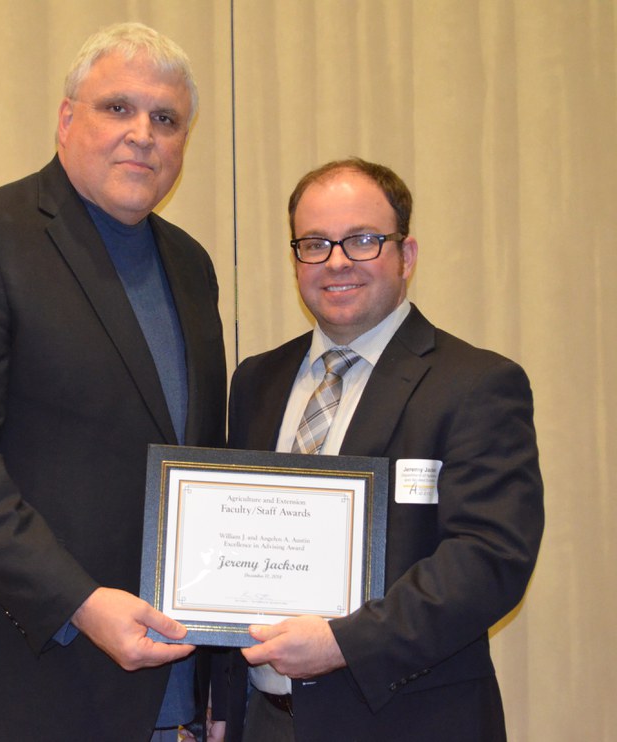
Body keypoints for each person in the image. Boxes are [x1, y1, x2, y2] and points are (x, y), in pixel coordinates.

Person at [0, 22, 227, 742]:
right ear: (67, 118)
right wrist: (78, 601)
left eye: (166, 119)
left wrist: (218, 685)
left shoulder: (193, 268)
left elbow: (198, 469)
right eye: (119, 108)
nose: (144, 133)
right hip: (9, 691)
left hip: (163, 699)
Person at [225, 157, 544, 741]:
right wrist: (221, 706)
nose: (337, 261)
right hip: (265, 723)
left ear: (407, 255)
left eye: (364, 240)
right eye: (315, 243)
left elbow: (491, 559)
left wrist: (343, 642)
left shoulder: (476, 384)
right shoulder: (256, 382)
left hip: (408, 723)